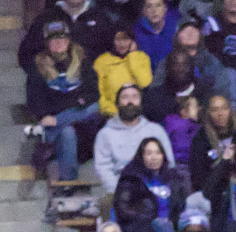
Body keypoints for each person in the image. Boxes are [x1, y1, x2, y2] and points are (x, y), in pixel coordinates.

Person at [26, 22, 100, 184]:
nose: (59, 42)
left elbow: (93, 94)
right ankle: (68, 183)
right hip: (58, 125)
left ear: (69, 41)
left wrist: (64, 113)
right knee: (67, 132)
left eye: (62, 38)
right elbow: (34, 101)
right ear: (47, 44)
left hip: (83, 119)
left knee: (96, 107)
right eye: (53, 40)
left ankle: (58, 123)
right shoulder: (37, 67)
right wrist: (53, 114)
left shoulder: (83, 61)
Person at [18, 0, 115, 71]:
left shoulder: (102, 19)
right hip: (54, 81)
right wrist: (42, 74)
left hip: (93, 80)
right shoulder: (47, 18)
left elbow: (112, 51)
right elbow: (27, 52)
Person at [114, 136, 187, 232]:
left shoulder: (173, 178)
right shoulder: (131, 178)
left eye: (158, 153)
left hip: (169, 231)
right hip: (142, 231)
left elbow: (180, 207)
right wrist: (153, 220)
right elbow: (123, 210)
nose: (154, 157)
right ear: (141, 156)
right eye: (149, 153)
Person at [93, 84, 174, 195]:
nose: (130, 102)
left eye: (135, 97)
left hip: (154, 189)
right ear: (117, 104)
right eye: (125, 97)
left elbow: (169, 162)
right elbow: (103, 168)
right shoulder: (105, 134)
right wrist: (121, 191)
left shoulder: (156, 131)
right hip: (119, 192)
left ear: (141, 103)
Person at [148, 21, 233, 103]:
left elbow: (221, 86)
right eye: (185, 30)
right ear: (177, 36)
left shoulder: (210, 60)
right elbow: (156, 87)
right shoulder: (168, 61)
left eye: (194, 30)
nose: (190, 33)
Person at [94, 27, 152, 117]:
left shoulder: (141, 57)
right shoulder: (102, 61)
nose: (121, 43)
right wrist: (110, 112)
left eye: (125, 39)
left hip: (137, 111)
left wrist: (132, 55)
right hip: (112, 113)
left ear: (132, 41)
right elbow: (100, 92)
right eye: (118, 39)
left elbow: (144, 82)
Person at [134, 0, 179, 72]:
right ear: (143, 11)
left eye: (158, 5)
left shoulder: (176, 25)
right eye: (149, 6)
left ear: (165, 8)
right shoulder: (137, 33)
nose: (154, 10)